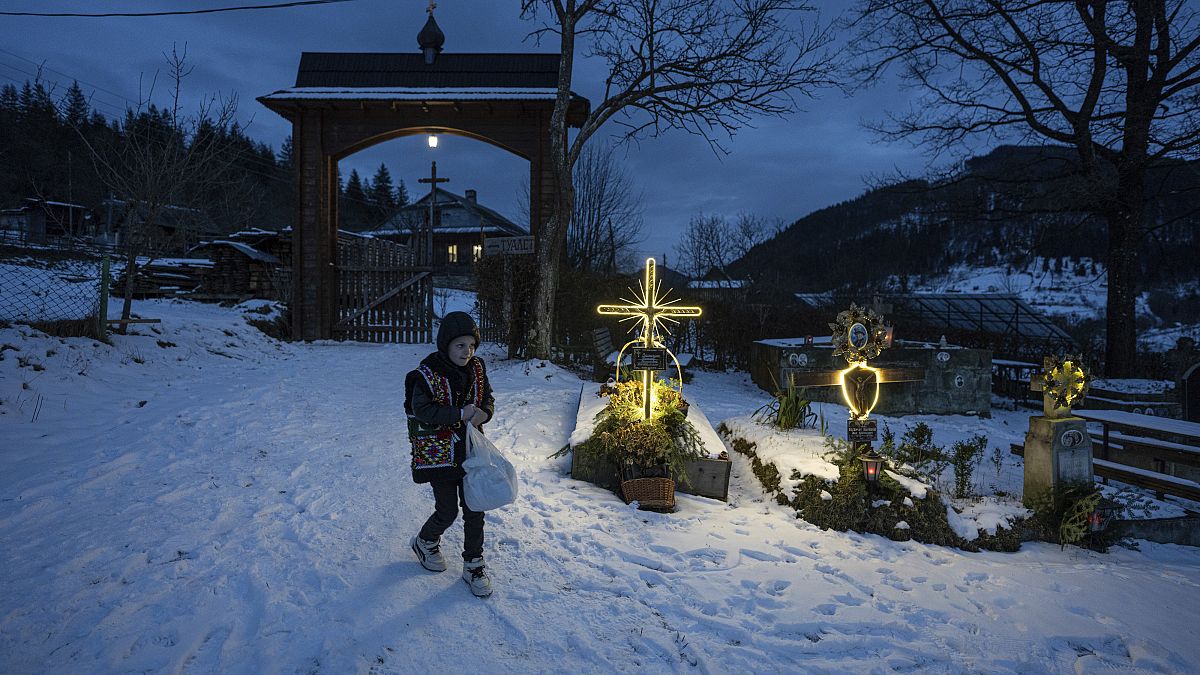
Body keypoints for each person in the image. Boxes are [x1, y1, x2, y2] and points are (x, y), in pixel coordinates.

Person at [404, 311, 496, 597]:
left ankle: (473, 564)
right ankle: (426, 541)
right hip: (441, 453)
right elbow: (422, 410)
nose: (467, 351)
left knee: (474, 507)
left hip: (470, 451)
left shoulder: (478, 368)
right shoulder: (427, 374)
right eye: (460, 345)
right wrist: (458, 414)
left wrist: (485, 413)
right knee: (447, 510)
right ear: (445, 344)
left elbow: (487, 398)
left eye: (471, 345)